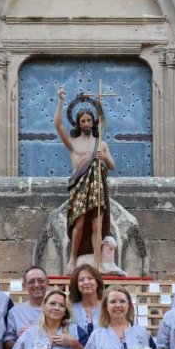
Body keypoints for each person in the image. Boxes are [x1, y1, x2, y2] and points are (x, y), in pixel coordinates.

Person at [55, 85, 116, 273]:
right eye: (83, 121)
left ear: (94, 122)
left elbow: (112, 166)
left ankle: (98, 263)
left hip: (97, 187)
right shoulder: (73, 143)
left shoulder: (101, 143)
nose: (87, 124)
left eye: (89, 120)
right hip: (80, 186)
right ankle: (73, 259)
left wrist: (103, 157)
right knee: (79, 223)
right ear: (78, 123)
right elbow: (57, 125)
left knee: (97, 225)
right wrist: (60, 101)